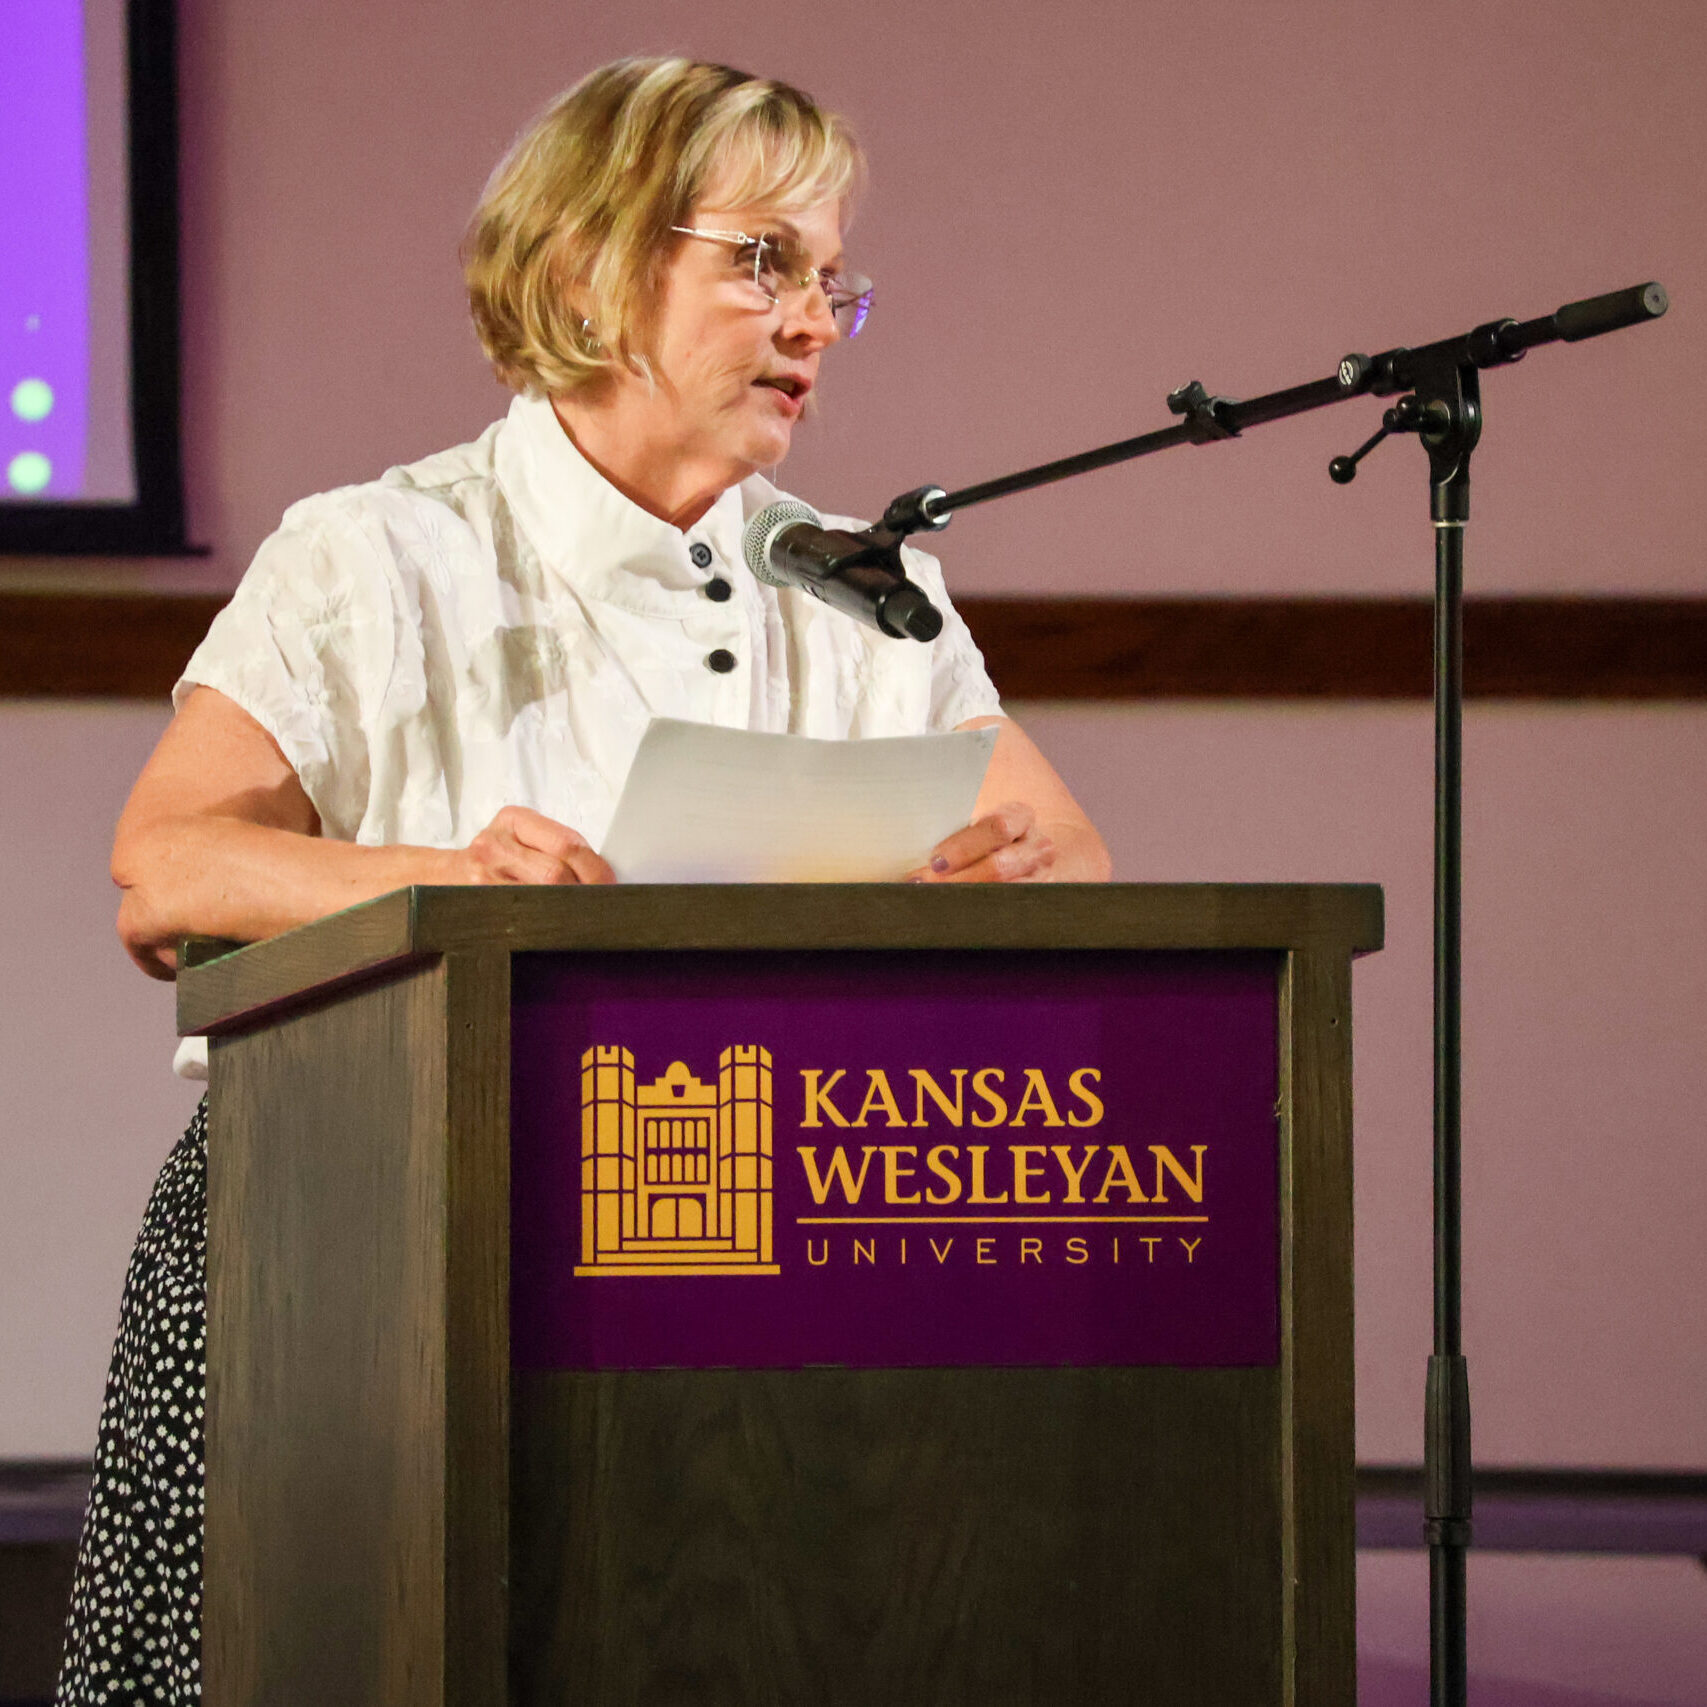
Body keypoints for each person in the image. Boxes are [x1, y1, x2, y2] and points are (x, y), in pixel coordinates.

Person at [56, 56, 1109, 1704]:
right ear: (586, 269)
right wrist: (443, 884)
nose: (814, 321)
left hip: (752, 1252)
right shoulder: (375, 552)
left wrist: (999, 877)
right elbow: (166, 865)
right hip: (347, 1246)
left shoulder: (859, 585)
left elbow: (1068, 856)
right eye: (762, 261)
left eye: (833, 279)